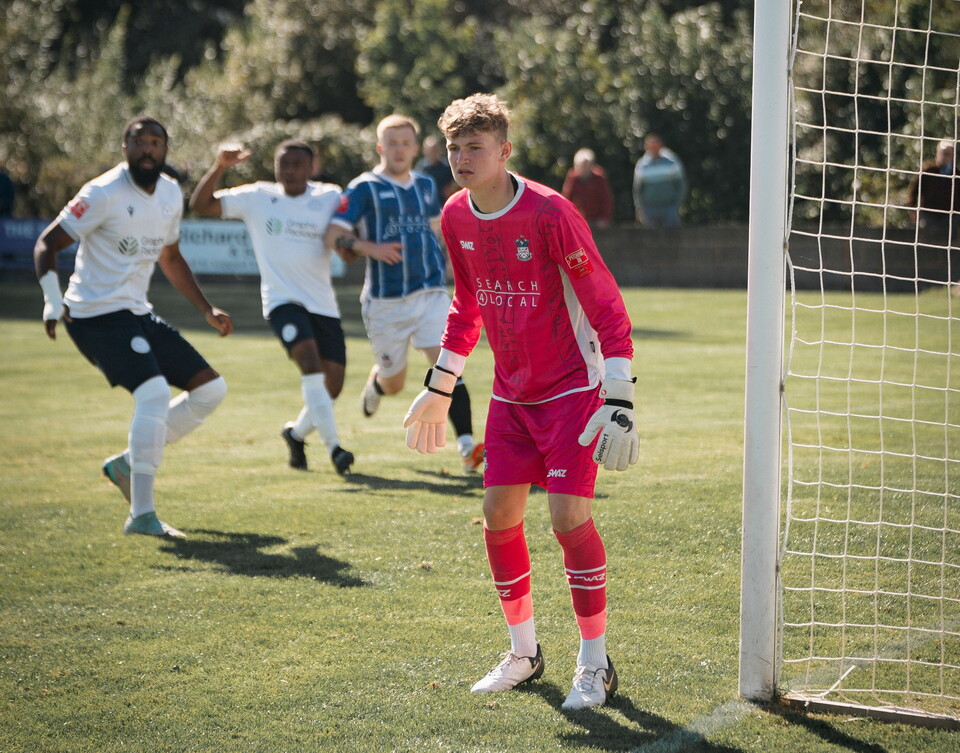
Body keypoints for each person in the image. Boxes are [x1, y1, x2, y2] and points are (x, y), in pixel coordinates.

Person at [403, 94, 639, 710]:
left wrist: (620, 394)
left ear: (504, 151)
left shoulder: (551, 212)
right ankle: (524, 653)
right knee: (499, 516)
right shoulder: (455, 216)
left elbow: (606, 302)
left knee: (567, 520)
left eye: (474, 147)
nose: (460, 158)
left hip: (571, 390)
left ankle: (595, 663)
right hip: (510, 395)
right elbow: (467, 307)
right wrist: (439, 387)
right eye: (454, 148)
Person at [34, 115, 233, 538]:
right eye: (139, 142)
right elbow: (46, 244)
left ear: (165, 149)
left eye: (155, 142)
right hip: (91, 316)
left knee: (211, 389)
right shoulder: (102, 192)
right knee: (155, 393)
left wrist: (205, 309)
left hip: (135, 312)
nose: (148, 148)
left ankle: (126, 463)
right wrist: (53, 303)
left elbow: (171, 259)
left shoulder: (169, 193)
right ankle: (142, 516)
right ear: (124, 148)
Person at [325, 114, 483, 474]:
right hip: (386, 302)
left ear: (415, 148)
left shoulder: (427, 185)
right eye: (391, 143)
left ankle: (467, 448)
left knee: (449, 366)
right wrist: (369, 247)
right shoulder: (363, 187)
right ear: (381, 147)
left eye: (405, 143)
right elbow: (333, 234)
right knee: (395, 383)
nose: (399, 149)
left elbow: (435, 227)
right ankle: (378, 383)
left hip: (430, 293)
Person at [190, 140, 357, 475]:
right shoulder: (257, 197)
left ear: (312, 168)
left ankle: (294, 434)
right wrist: (220, 167)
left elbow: (349, 232)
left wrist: (349, 247)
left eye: (298, 164)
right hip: (283, 302)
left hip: (323, 304)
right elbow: (201, 205)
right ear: (276, 167)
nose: (291, 170)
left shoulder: (329, 196)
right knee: (310, 365)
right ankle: (335, 448)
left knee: (334, 384)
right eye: (285, 164)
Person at [632, 133, 686, 228]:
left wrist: (676, 204)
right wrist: (640, 208)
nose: (653, 147)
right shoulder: (642, 165)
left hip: (669, 207)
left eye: (655, 144)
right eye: (650, 144)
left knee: (672, 238)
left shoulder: (672, 161)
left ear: (660, 145)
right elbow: (637, 189)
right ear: (646, 147)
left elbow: (681, 185)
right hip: (649, 209)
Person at [561, 148, 614, 229]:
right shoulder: (572, 177)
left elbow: (606, 199)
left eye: (587, 165)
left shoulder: (599, 178)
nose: (584, 169)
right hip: (579, 220)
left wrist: (604, 218)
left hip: (596, 221)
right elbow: (566, 199)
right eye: (582, 166)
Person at [416, 134, 457, 203]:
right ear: (424, 151)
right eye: (430, 150)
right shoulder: (420, 167)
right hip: (427, 205)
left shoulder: (447, 166)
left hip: (445, 203)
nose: (433, 153)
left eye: (435, 150)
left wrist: (451, 187)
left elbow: (458, 180)